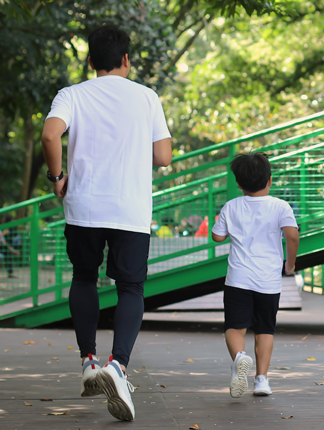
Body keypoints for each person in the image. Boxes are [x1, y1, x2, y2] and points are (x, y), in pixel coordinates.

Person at [40, 25, 172, 421]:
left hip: (84, 207)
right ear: (127, 60)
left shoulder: (72, 95)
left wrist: (57, 177)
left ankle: (88, 362)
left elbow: (50, 137)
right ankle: (118, 365)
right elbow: (163, 156)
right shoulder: (147, 97)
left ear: (91, 61)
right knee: (130, 286)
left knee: (83, 278)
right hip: (130, 210)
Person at [211, 152, 299, 399]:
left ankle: (239, 358)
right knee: (265, 330)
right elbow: (292, 236)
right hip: (268, 281)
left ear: (238, 183)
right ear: (269, 180)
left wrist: (227, 229)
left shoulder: (232, 206)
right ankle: (262, 380)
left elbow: (217, 236)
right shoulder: (281, 206)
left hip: (238, 279)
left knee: (234, 327)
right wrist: (290, 265)